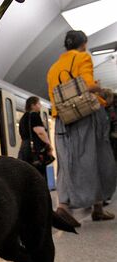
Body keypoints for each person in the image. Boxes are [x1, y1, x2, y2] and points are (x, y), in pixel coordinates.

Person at [46, 30, 117, 225]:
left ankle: (64, 207)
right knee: (96, 159)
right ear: (83, 43)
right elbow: (87, 85)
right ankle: (97, 207)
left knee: (66, 162)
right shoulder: (82, 57)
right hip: (84, 116)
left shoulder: (53, 67)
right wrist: (100, 88)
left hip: (61, 118)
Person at [17, 96, 53, 178]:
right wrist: (49, 145)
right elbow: (40, 132)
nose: (40, 106)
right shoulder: (34, 115)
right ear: (33, 105)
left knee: (29, 175)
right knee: (39, 175)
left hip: (24, 149)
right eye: (38, 104)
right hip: (35, 150)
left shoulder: (23, 118)